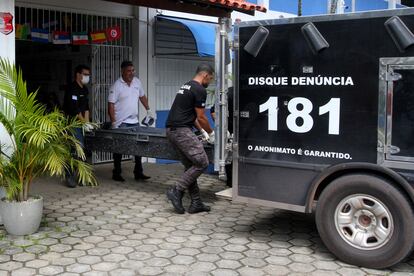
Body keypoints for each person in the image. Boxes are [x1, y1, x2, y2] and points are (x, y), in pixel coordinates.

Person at [165, 63, 215, 214]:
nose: (210, 82)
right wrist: (211, 133)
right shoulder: (200, 89)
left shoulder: (186, 86)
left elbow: (190, 115)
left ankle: (196, 203)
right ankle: (176, 190)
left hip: (172, 129)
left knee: (191, 167)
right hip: (181, 130)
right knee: (202, 162)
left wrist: (200, 131)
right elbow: (201, 116)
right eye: (210, 79)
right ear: (205, 75)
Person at [108, 60, 152, 182]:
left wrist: (148, 109)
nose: (131, 73)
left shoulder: (137, 82)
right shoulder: (116, 85)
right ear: (122, 71)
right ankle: (116, 172)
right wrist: (114, 123)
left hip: (134, 121)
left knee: (138, 147)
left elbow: (142, 96)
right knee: (119, 148)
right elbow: (110, 105)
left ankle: (138, 172)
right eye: (129, 71)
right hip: (121, 123)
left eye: (133, 70)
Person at [62, 64, 91, 188]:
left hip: (82, 124)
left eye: (88, 75)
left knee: (82, 150)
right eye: (85, 74)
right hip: (72, 124)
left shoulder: (85, 89)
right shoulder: (71, 89)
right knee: (74, 150)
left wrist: (88, 122)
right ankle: (69, 176)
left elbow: (86, 107)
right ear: (78, 75)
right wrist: (83, 122)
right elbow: (75, 109)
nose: (87, 77)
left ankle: (82, 177)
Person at [210, 86, 233, 187]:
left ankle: (231, 182)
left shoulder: (227, 92)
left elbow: (213, 111)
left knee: (228, 155)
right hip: (234, 130)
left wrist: (221, 125)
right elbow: (213, 111)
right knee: (230, 155)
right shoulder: (230, 92)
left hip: (228, 130)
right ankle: (232, 182)